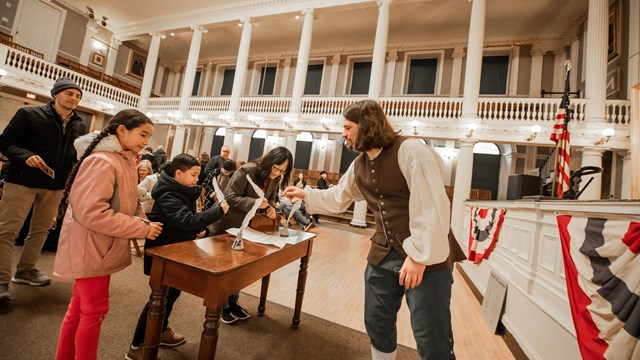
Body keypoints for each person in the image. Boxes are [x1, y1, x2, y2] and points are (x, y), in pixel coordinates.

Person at [284, 100, 454, 360]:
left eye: (347, 127)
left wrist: (419, 257)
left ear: (366, 126)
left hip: (425, 255)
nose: (343, 133)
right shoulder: (360, 164)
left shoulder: (411, 151)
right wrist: (306, 194)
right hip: (383, 252)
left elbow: (432, 206)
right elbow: (339, 198)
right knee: (377, 322)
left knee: (431, 335)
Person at [53, 109, 163, 360]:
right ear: (122, 130)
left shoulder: (122, 159)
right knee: (93, 311)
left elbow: (127, 200)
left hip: (97, 244)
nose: (147, 142)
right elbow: (91, 212)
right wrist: (140, 228)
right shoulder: (103, 161)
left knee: (79, 308)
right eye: (143, 134)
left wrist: (142, 220)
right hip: (91, 246)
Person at [126, 154, 229, 360]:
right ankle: (137, 345)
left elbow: (187, 222)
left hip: (177, 251)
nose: (197, 180)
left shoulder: (183, 190)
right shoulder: (167, 194)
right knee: (157, 300)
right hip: (163, 254)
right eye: (193, 175)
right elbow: (186, 220)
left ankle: (161, 331)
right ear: (179, 174)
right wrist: (217, 212)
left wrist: (201, 230)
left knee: (170, 296)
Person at [0, 77, 88, 302]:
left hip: (55, 185)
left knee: (40, 230)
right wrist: (26, 156)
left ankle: (26, 269)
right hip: (22, 180)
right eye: (69, 93)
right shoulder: (28, 114)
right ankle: (1, 280)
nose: (74, 99)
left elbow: (75, 156)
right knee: (8, 230)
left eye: (78, 96)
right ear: (55, 94)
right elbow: (5, 143)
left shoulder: (79, 124)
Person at [210, 146, 293, 324]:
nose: (277, 173)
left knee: (239, 267)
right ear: (270, 162)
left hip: (245, 226)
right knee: (225, 268)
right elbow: (229, 197)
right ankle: (222, 306)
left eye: (282, 171)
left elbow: (269, 198)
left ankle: (233, 302)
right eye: (276, 168)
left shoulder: (276, 178)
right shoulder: (247, 170)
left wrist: (270, 207)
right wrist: (256, 203)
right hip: (226, 223)